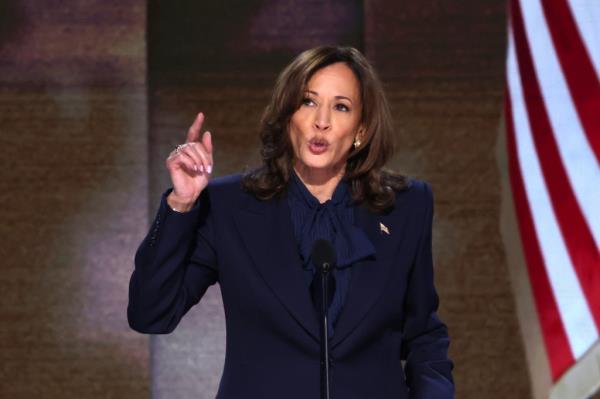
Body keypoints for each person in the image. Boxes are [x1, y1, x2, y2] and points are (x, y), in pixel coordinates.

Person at [128, 45, 454, 398]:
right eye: (308, 102)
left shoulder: (405, 206)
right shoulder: (229, 206)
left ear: (361, 129)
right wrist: (181, 203)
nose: (322, 121)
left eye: (341, 107)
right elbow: (151, 314)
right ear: (287, 116)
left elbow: (423, 335)